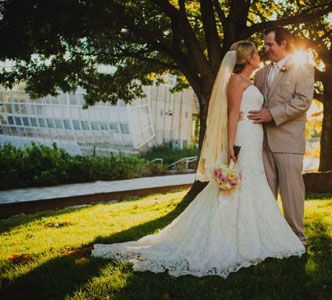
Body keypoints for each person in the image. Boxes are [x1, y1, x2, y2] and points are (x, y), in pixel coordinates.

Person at [91, 40, 305, 278]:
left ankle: (255, 232)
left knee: (252, 182)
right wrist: (231, 146)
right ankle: (229, 235)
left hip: (255, 136)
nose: (260, 55)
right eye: (256, 53)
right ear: (247, 59)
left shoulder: (251, 81)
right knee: (238, 184)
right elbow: (232, 113)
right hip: (243, 134)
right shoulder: (236, 81)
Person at [249, 26, 314, 245]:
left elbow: (303, 101)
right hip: (262, 142)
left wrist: (272, 114)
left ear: (284, 43)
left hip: (288, 141)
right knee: (265, 194)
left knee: (291, 193)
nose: (266, 48)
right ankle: (270, 238)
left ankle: (298, 238)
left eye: (270, 44)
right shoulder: (260, 74)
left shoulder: (302, 68)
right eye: (265, 45)